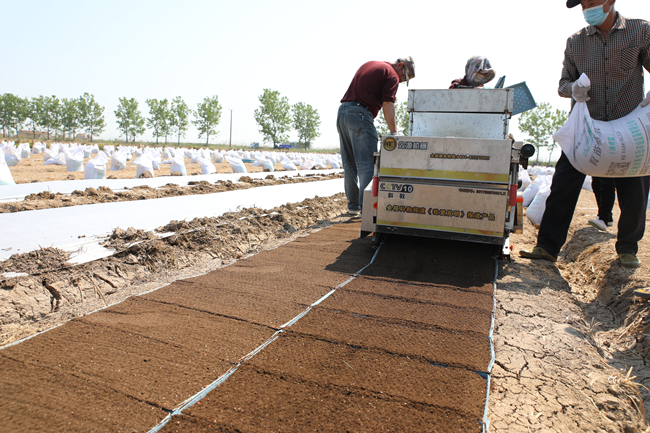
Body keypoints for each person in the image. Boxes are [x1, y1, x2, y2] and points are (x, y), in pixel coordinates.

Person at [520, 0, 650, 268]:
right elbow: (562, 85)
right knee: (563, 184)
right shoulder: (575, 42)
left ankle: (628, 249)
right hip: (589, 128)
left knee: (635, 188)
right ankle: (547, 247)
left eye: (592, 2)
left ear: (610, 1)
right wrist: (573, 89)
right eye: (583, 5)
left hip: (627, 128)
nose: (587, 8)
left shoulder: (640, 31)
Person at [337, 57, 415, 216]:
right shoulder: (392, 74)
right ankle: (366, 209)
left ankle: (353, 207)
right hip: (360, 115)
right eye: (404, 77)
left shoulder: (372, 64)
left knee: (349, 164)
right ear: (400, 65)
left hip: (343, 113)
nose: (401, 81)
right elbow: (388, 103)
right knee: (367, 165)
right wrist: (394, 133)